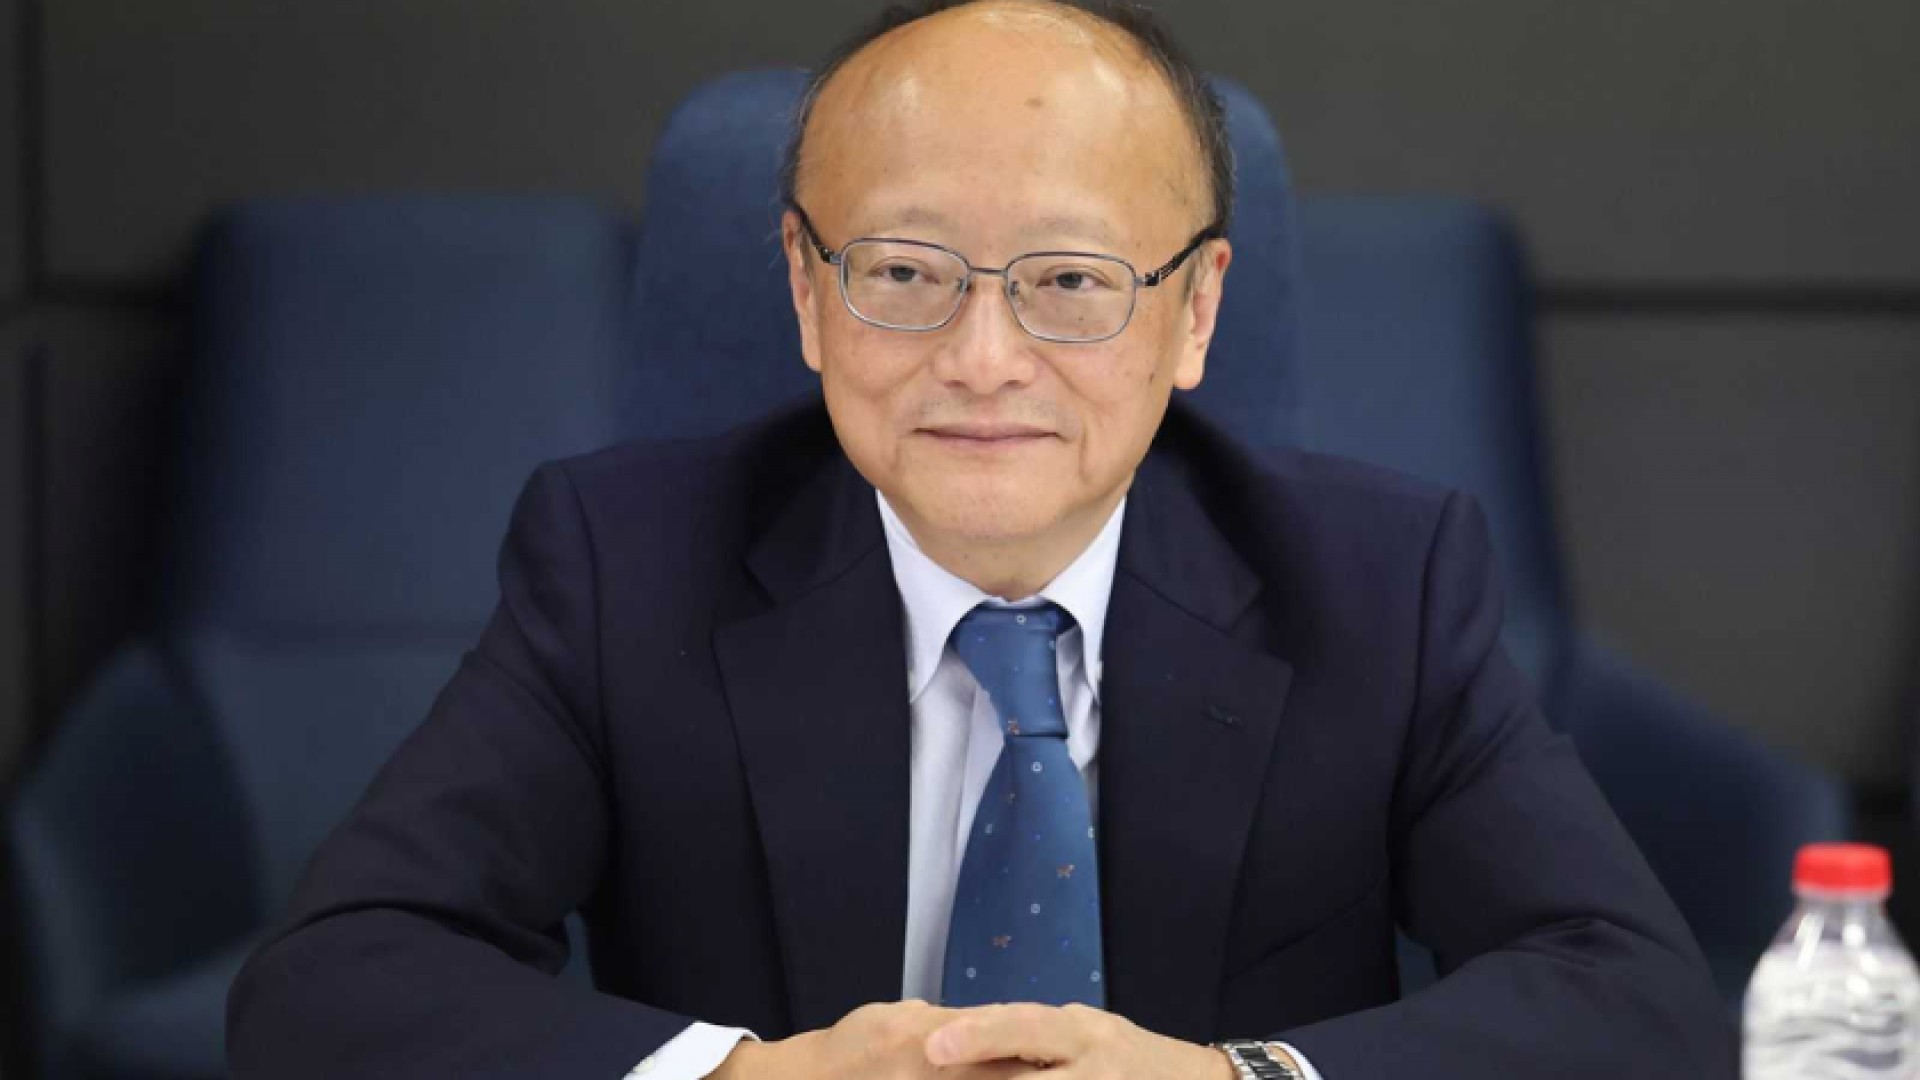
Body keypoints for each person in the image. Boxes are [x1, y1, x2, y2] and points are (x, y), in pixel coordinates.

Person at [226, 1, 1734, 1077]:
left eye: (1071, 281)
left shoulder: (1378, 583)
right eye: (904, 272)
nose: (984, 359)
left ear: (1195, 311)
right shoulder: (625, 563)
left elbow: (1636, 1003)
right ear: (807, 292)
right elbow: (330, 985)